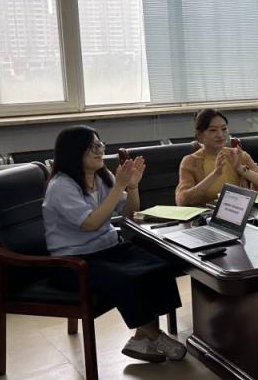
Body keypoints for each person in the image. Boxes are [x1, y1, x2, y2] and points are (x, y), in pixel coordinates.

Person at [43, 126, 185, 363]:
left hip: (108, 249)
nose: (100, 151)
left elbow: (130, 213)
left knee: (159, 266)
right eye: (93, 146)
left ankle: (140, 339)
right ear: (74, 151)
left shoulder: (102, 176)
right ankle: (156, 336)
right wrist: (119, 187)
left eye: (100, 145)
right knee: (127, 279)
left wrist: (132, 187)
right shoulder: (61, 186)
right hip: (74, 261)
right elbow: (90, 223)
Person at [175, 108, 258, 206]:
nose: (220, 135)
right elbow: (182, 200)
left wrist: (241, 169)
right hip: (208, 215)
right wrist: (215, 174)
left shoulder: (239, 155)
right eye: (213, 130)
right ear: (200, 136)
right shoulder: (190, 161)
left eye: (224, 129)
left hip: (239, 211)